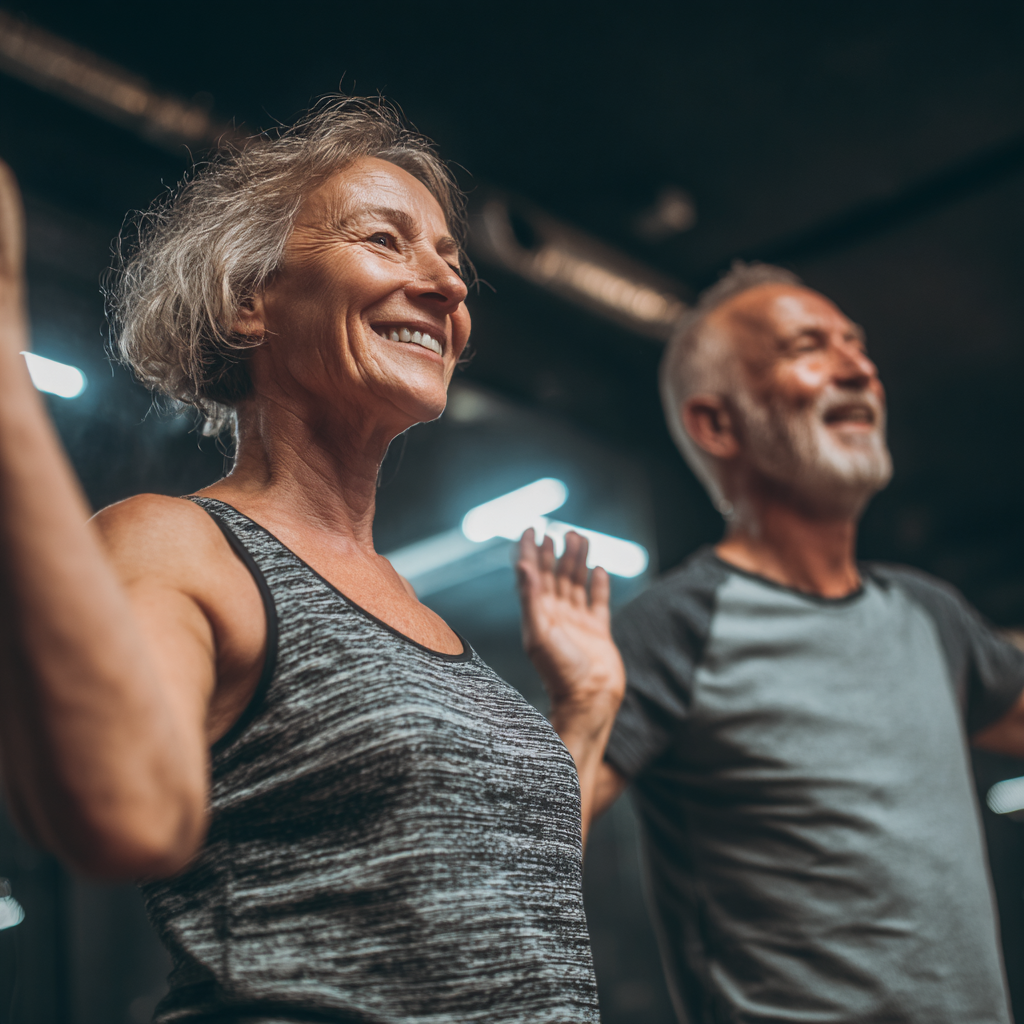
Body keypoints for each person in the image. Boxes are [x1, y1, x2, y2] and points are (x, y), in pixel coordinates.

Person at [0, 97, 600, 1023]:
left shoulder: (422, 617)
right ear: (250, 300)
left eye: (449, 258)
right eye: (386, 240)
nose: (446, 287)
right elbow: (122, 811)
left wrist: (586, 713)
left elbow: (506, 901)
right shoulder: (178, 543)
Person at [517, 262, 1024, 1024]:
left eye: (857, 346)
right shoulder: (677, 627)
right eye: (809, 347)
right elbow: (519, 853)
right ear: (717, 424)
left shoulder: (930, 614)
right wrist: (580, 704)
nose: (859, 368)